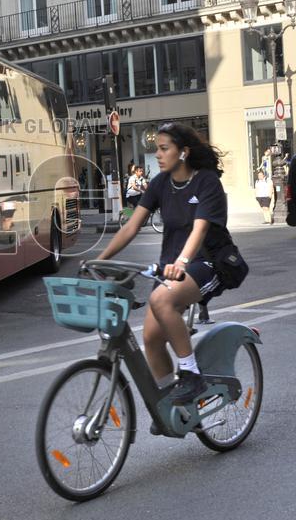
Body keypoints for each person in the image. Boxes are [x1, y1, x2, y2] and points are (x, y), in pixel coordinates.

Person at [95, 122, 228, 407]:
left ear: (183, 152)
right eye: (157, 148)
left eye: (164, 148)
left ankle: (192, 373)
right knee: (152, 340)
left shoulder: (206, 181)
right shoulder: (159, 183)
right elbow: (131, 227)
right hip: (171, 269)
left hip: (206, 263)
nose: (157, 153)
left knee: (160, 299)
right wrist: (100, 259)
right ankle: (173, 407)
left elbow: (199, 230)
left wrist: (181, 261)